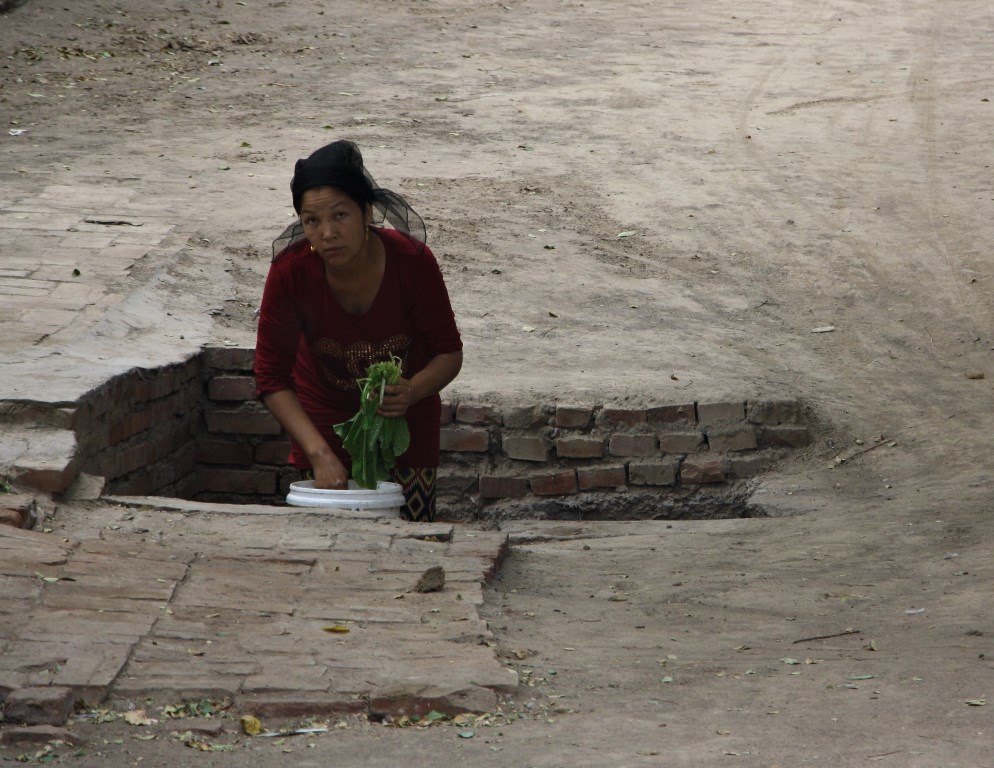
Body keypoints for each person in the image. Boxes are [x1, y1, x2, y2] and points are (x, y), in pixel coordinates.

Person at [255, 140, 463, 522]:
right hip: (321, 421)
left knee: (411, 536)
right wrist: (319, 454)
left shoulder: (412, 263)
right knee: (328, 541)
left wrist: (412, 390)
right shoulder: (291, 272)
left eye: (340, 216)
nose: (327, 233)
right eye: (312, 221)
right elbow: (270, 376)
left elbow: (448, 353)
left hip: (403, 423)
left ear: (367, 212)